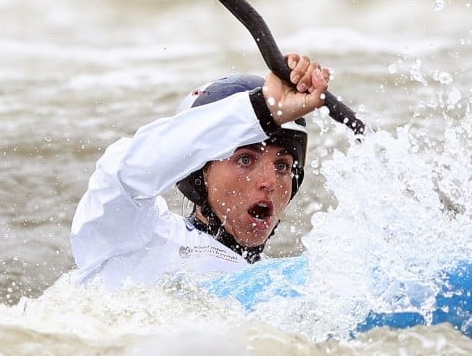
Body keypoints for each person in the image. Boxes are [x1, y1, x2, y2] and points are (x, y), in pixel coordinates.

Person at [69, 53, 330, 290]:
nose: (269, 182)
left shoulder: (286, 284)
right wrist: (261, 110)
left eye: (282, 166)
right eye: (245, 160)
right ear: (198, 173)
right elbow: (125, 171)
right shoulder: (135, 239)